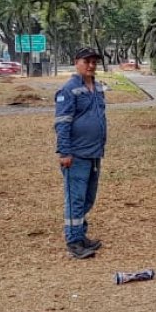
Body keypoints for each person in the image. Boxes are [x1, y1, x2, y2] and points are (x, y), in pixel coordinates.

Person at [54, 47, 107, 260]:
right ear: (77, 62)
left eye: (94, 62)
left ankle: (81, 234)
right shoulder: (68, 89)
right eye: (87, 61)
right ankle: (73, 241)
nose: (91, 65)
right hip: (76, 155)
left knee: (88, 197)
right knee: (75, 199)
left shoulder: (97, 88)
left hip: (94, 152)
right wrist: (64, 152)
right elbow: (62, 123)